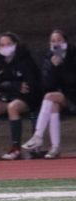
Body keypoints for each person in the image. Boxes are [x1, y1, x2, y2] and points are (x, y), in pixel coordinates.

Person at [0, 31, 41, 161]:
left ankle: (15, 148)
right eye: (2, 45)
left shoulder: (25, 60)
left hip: (26, 99)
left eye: (9, 44)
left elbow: (29, 85)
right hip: (5, 97)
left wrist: (9, 87)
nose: (5, 47)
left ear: (16, 44)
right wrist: (12, 86)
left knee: (13, 107)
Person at [22, 29, 76, 159]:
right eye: (53, 41)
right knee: (52, 104)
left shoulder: (73, 55)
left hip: (73, 95)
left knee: (49, 97)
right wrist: (54, 67)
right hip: (61, 96)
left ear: (66, 42)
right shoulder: (48, 57)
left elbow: (72, 81)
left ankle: (38, 136)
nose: (56, 44)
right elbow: (47, 84)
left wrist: (61, 66)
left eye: (59, 40)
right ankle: (55, 147)